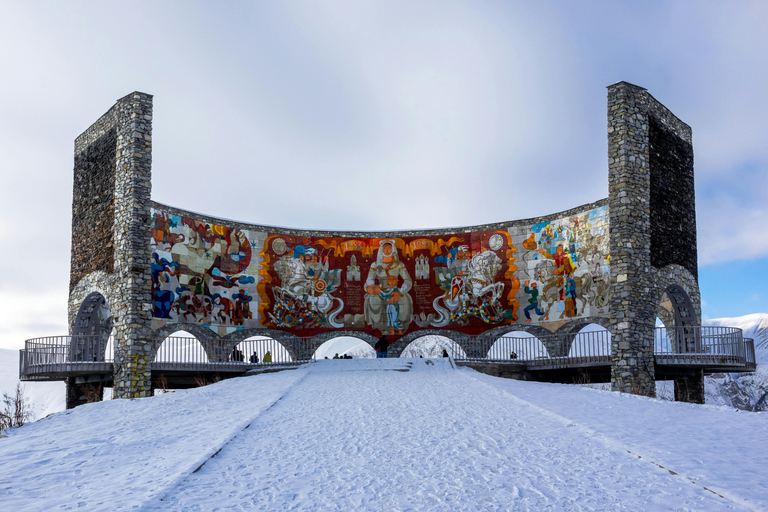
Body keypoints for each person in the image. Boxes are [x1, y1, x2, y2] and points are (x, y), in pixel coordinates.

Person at [364, 240, 413, 334]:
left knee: (404, 301)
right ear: (381, 250)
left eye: (389, 248)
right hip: (381, 290)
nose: (387, 250)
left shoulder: (399, 265)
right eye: (385, 248)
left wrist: (401, 292)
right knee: (374, 300)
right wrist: (372, 286)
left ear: (393, 249)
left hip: (395, 290)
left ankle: (399, 326)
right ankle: (380, 326)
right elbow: (370, 278)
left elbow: (408, 280)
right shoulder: (375, 265)